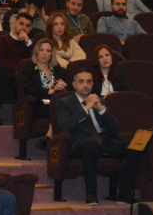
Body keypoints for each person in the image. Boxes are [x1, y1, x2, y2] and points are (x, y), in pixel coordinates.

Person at [55, 69, 140, 205]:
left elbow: (115, 129)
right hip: (79, 144)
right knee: (91, 143)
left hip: (103, 142)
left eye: (88, 82)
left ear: (92, 84)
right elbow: (65, 125)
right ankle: (91, 194)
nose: (85, 85)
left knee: (136, 145)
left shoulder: (100, 101)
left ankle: (125, 193)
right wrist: (86, 108)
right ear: (74, 84)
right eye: (81, 82)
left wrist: (101, 109)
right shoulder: (65, 102)